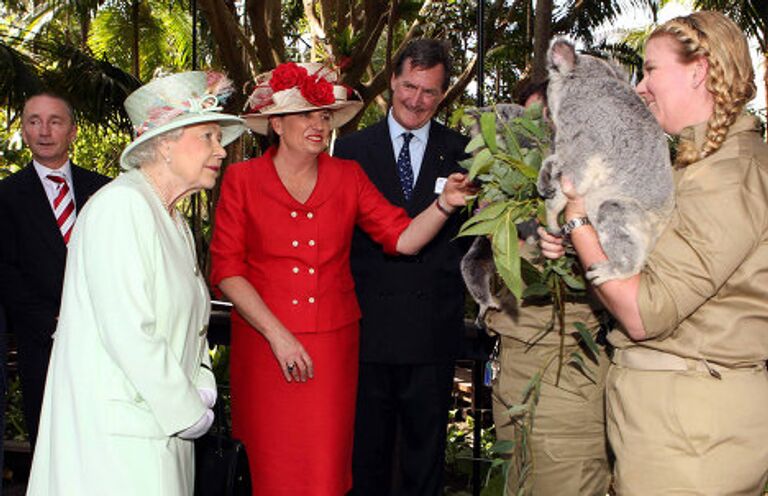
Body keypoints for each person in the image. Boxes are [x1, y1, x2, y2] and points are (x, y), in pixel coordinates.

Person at [209, 61, 474, 496]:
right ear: (275, 123)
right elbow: (227, 269)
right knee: (269, 467)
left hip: (332, 351)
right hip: (264, 347)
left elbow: (404, 239)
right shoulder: (242, 179)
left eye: (324, 115)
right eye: (305, 114)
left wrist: (444, 204)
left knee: (326, 471)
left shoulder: (348, 176)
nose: (318, 124)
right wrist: (277, 335)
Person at [539, 11, 768, 495]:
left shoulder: (728, 176)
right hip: (671, 422)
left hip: (691, 433)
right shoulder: (696, 164)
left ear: (699, 71)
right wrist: (574, 244)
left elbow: (644, 312)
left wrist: (578, 216)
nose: (640, 87)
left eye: (650, 70)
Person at [26, 71, 246, 495]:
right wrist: (186, 409)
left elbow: (194, 325)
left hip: (162, 428)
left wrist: (200, 391)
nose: (221, 150)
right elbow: (129, 331)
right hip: (118, 441)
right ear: (165, 144)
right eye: (209, 136)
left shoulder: (171, 216)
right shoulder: (120, 207)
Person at [333, 38, 470, 496]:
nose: (416, 100)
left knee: (424, 461)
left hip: (432, 332)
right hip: (367, 332)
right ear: (392, 80)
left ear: (444, 93)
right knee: (364, 458)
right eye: (409, 86)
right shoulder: (350, 152)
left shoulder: (466, 154)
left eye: (430, 92)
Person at [484, 81, 611, 495]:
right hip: (512, 373)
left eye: (550, 121)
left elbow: (623, 287)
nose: (539, 135)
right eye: (530, 125)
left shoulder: (606, 191)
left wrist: (570, 240)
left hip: (566, 374)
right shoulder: (513, 193)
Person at [0, 92, 110, 449]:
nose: (44, 131)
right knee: (52, 449)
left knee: (101, 446)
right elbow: (6, 274)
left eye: (55, 121)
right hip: (42, 348)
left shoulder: (106, 191)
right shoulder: (6, 196)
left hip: (105, 346)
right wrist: (57, 323)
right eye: (34, 121)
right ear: (24, 131)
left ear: (73, 131)